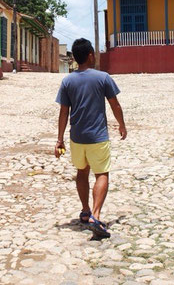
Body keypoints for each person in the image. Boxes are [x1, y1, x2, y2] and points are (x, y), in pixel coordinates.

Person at [55, 38, 127, 239]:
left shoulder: (67, 80)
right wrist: (121, 125)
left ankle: (85, 210)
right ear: (90, 55)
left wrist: (59, 139)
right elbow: (115, 105)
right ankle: (96, 215)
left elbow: (63, 112)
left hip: (76, 137)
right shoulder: (103, 77)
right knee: (102, 173)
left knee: (81, 172)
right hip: (98, 137)